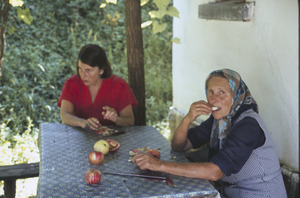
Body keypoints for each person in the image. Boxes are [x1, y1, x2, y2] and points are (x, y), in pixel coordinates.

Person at [133, 69, 287, 198]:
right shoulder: (219, 121)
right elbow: (180, 145)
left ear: (236, 95)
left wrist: (159, 165)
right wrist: (188, 118)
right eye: (210, 92)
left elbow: (215, 171)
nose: (214, 99)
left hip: (261, 194)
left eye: (222, 93)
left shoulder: (248, 125)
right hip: (231, 192)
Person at [58, 44, 138, 130]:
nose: (83, 75)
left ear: (101, 70)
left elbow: (130, 121)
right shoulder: (71, 83)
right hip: (77, 139)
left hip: (111, 140)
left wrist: (116, 119)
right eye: (80, 69)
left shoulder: (119, 86)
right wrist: (82, 122)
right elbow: (65, 115)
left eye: (88, 70)